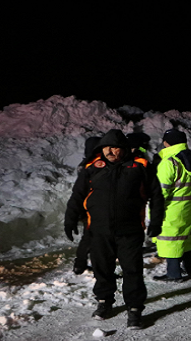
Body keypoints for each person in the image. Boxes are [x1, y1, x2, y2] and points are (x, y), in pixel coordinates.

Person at [64, 129, 164, 330]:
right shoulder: (92, 168)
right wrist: (70, 219)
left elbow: (156, 195)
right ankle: (104, 302)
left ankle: (134, 309)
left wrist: (156, 222)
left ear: (124, 149)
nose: (110, 151)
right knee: (102, 269)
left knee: (132, 271)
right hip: (99, 230)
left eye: (115, 147)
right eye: (106, 147)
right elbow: (77, 195)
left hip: (130, 230)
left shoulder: (140, 166)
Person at [151, 129, 191, 281]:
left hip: (172, 208)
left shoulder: (169, 162)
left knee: (171, 238)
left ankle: (174, 273)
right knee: (185, 236)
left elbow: (161, 191)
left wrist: (156, 209)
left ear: (165, 143)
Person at [72, 136, 102, 275]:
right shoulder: (96, 164)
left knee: (88, 236)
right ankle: (97, 268)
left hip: (86, 205)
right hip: (95, 206)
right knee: (97, 237)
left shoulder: (84, 163)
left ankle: (80, 264)